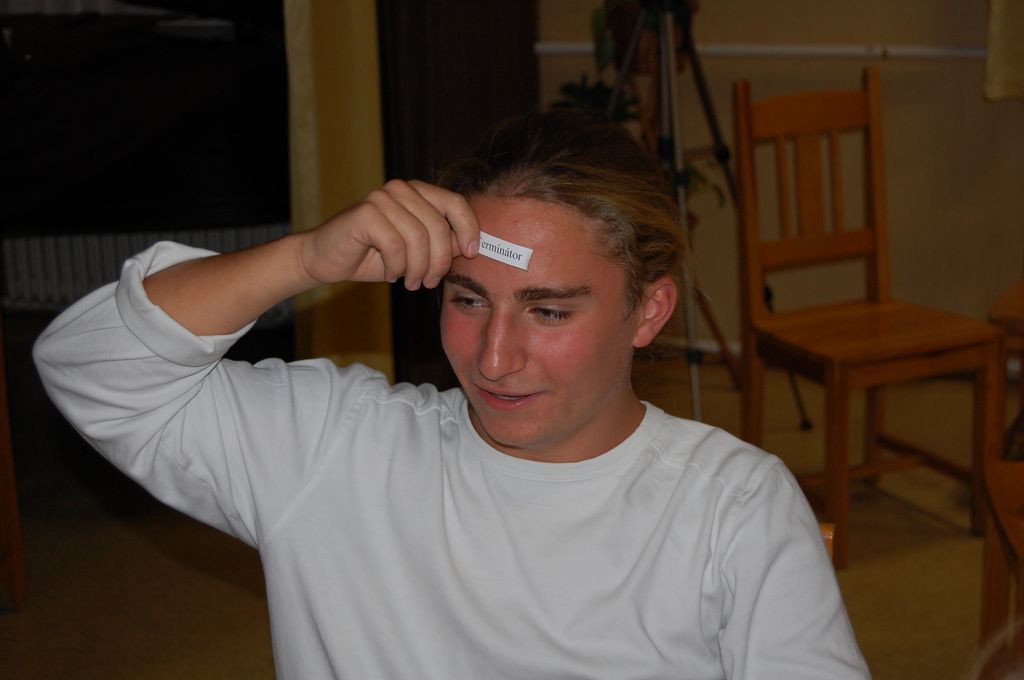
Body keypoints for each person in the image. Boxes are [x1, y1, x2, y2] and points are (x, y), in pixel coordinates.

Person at [34, 109, 869, 679]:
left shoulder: (732, 506)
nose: (495, 358)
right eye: (468, 300)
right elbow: (90, 368)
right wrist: (303, 260)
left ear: (648, 310)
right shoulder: (335, 449)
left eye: (548, 311)